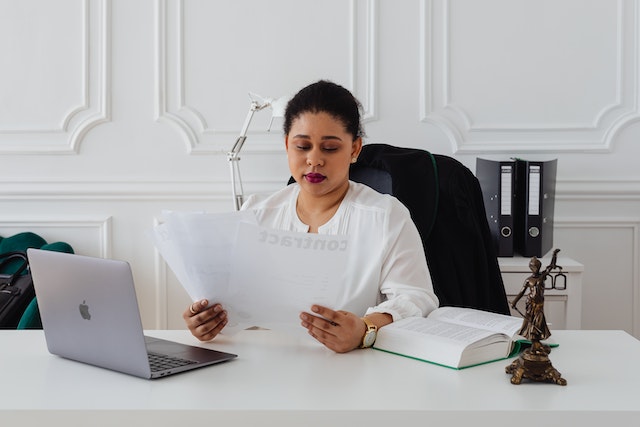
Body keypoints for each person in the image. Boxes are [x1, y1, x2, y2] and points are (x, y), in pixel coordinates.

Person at [183, 80, 439, 353]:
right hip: (267, 367)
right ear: (286, 145)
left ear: (354, 149)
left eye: (329, 148)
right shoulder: (256, 214)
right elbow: (231, 300)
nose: (314, 160)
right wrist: (207, 321)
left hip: (354, 369)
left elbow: (416, 298)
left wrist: (365, 329)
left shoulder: (386, 216)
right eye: (302, 146)